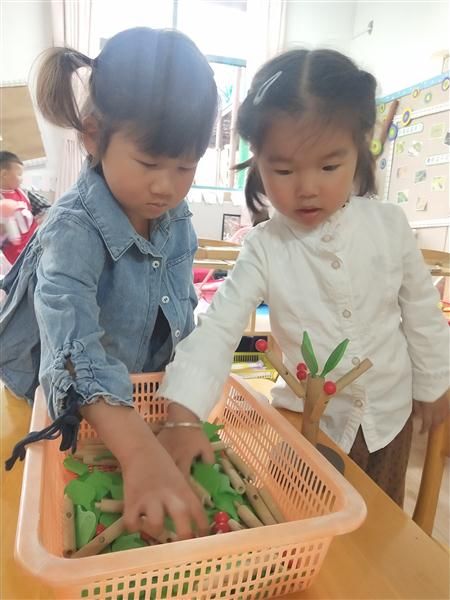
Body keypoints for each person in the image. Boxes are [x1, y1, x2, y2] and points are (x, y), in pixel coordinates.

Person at [158, 48, 450, 506]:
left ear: (359, 151)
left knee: (380, 521)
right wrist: (183, 413)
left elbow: (421, 312)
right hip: (306, 422)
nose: (307, 187)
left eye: (329, 166)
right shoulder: (265, 246)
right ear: (258, 162)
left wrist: (435, 383)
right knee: (299, 517)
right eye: (284, 169)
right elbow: (219, 328)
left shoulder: (389, 226)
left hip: (387, 417)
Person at [1, 27, 218, 539]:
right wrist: (139, 451)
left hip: (133, 395)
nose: (166, 186)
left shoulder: (176, 218)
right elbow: (72, 355)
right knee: (37, 512)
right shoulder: (71, 229)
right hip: (46, 398)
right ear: (93, 137)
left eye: (185, 166)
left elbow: (183, 321)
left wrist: (180, 418)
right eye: (149, 163)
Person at [0, 151, 38, 265]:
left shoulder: (23, 193)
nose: (22, 179)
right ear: (4, 174)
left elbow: (43, 209)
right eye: (19, 174)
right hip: (18, 255)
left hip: (36, 242)